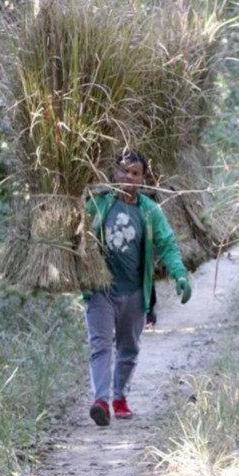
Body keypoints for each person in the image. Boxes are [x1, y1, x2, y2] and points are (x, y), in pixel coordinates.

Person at [84, 151, 192, 426]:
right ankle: (101, 401)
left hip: (134, 292)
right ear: (114, 174)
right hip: (100, 290)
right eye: (123, 172)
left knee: (128, 347)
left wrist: (180, 274)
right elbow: (76, 230)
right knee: (100, 346)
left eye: (134, 173)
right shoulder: (98, 204)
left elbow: (167, 244)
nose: (127, 178)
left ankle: (119, 397)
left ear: (143, 179)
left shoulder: (149, 211)